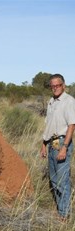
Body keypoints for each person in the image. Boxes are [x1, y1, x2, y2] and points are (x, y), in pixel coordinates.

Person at [40, 73, 75, 222]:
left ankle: (64, 214)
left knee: (62, 181)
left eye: (58, 85)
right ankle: (61, 209)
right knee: (54, 180)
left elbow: (72, 125)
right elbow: (49, 125)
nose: (55, 88)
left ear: (63, 85)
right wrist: (43, 144)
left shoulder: (69, 101)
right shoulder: (51, 102)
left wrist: (64, 147)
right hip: (52, 142)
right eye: (52, 86)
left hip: (62, 142)